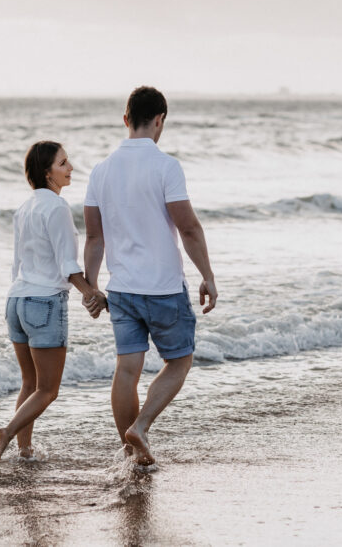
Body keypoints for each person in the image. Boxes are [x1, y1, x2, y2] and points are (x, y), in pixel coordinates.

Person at [83, 86, 217, 466]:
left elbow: (94, 237)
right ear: (160, 120)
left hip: (121, 289)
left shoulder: (100, 170)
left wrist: (91, 287)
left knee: (127, 368)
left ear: (126, 119)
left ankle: (130, 456)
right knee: (180, 361)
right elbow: (188, 228)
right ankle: (139, 428)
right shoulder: (166, 166)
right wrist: (207, 275)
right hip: (162, 288)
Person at [0, 141, 105, 471]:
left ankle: (24, 452)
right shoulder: (57, 208)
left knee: (29, 383)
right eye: (63, 163)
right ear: (47, 172)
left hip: (16, 300)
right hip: (44, 304)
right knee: (48, 389)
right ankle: (7, 434)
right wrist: (93, 293)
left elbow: (16, 263)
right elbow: (67, 264)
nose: (70, 168)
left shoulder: (23, 209)